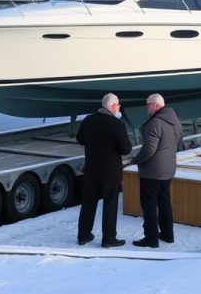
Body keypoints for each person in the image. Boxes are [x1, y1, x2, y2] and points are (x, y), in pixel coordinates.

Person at [75, 92, 132, 248]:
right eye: (118, 105)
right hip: (110, 171)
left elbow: (79, 139)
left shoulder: (88, 120)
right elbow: (126, 149)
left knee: (88, 202)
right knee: (110, 203)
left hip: (91, 169)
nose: (119, 108)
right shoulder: (116, 124)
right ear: (113, 106)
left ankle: (83, 235)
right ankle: (108, 238)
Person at [130, 93, 182, 248]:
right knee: (164, 202)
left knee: (149, 205)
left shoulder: (155, 123)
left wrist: (135, 160)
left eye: (148, 104)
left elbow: (148, 150)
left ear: (156, 105)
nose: (147, 108)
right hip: (168, 169)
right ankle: (167, 234)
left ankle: (151, 238)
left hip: (152, 171)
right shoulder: (175, 121)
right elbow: (179, 141)